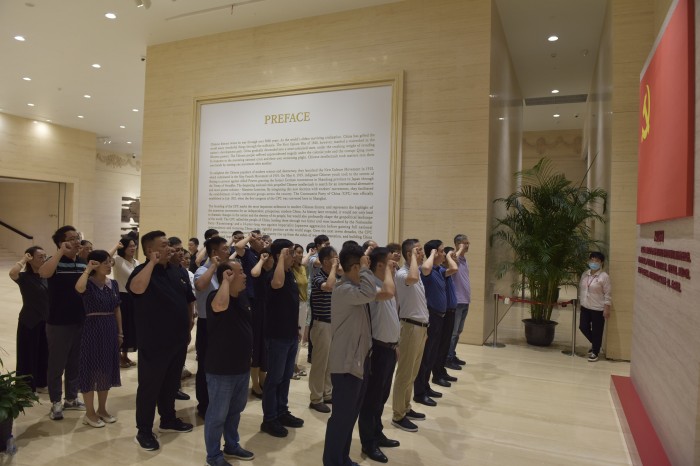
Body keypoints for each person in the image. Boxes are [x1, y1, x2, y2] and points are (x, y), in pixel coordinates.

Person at [127, 230, 195, 451]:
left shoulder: (177, 270)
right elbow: (136, 288)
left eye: (169, 244)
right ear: (150, 250)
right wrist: (151, 263)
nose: (170, 248)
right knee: (150, 387)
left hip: (177, 339)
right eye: (164, 245)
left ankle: (168, 419)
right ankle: (144, 431)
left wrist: (187, 327)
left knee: (171, 383)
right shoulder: (142, 271)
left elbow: (187, 299)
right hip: (154, 342)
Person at [322, 244, 377, 466]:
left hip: (357, 361)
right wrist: (365, 268)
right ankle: (332, 461)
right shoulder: (344, 290)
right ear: (355, 267)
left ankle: (342, 458)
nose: (366, 270)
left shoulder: (353, 290)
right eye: (363, 266)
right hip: (346, 365)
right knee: (341, 418)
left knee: (350, 416)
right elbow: (371, 293)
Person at [203, 262, 255, 466]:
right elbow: (220, 306)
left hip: (241, 367)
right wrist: (225, 281)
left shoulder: (242, 297)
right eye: (240, 272)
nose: (245, 275)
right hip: (221, 369)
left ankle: (232, 445)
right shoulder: (214, 297)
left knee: (235, 411)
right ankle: (213, 456)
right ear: (228, 275)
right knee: (217, 415)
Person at [39, 225, 87, 421]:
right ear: (61, 243)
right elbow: (43, 273)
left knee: (75, 362)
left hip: (80, 320)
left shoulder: (82, 262)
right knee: (57, 364)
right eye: (72, 238)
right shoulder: (55, 261)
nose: (77, 241)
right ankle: (56, 402)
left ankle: (71, 398)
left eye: (77, 237)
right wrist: (60, 252)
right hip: (58, 322)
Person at [358, 247, 401, 463]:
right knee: (372, 398)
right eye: (390, 261)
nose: (395, 263)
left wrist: (396, 344)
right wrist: (390, 273)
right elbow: (390, 294)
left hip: (389, 348)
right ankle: (368, 443)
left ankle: (377, 432)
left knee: (382, 396)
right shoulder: (372, 288)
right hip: (377, 349)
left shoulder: (385, 284)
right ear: (381, 265)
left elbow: (392, 315)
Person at [260, 239, 304, 438]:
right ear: (279, 255)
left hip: (290, 335)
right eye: (290, 253)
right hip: (277, 336)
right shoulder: (273, 275)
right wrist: (279, 259)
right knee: (274, 379)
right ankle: (269, 419)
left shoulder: (290, 274)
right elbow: (277, 284)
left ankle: (281, 411)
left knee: (285, 378)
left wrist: (296, 329)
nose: (294, 256)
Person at [75, 250, 122, 428]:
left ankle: (102, 409)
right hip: (92, 329)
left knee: (105, 370)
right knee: (90, 370)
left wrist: (120, 332)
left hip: (110, 328)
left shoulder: (113, 284)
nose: (109, 265)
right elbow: (79, 288)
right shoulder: (87, 282)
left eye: (110, 262)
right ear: (95, 264)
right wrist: (87, 270)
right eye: (105, 262)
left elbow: (117, 308)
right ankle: (89, 413)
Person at [413, 239, 457, 405]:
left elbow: (454, 268)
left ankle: (426, 386)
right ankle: (419, 392)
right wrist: (431, 254)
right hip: (431, 316)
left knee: (432, 354)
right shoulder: (426, 271)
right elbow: (425, 267)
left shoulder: (439, 270)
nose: (443, 254)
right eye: (441, 251)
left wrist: (447, 256)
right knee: (425, 356)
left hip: (440, 317)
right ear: (433, 252)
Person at [391, 239, 428, 433]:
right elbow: (412, 277)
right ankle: (398, 415)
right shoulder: (403, 274)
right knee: (404, 373)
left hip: (420, 328)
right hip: (410, 327)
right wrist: (413, 256)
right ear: (409, 255)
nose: (422, 254)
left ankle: (405, 407)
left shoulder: (416, 272)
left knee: (412, 373)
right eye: (418, 251)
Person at [194, 236, 232, 419]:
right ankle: (204, 405)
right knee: (205, 366)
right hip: (206, 324)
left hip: (224, 324)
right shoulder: (203, 270)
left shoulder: (226, 270)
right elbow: (200, 286)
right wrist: (213, 266)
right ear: (214, 252)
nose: (228, 252)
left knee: (220, 365)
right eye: (225, 249)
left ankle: (219, 402)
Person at [9, 246, 49, 394]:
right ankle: (25, 387)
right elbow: (12, 273)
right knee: (27, 354)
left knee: (44, 353)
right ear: (31, 259)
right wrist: (24, 259)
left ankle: (41, 383)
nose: (43, 259)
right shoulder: (25, 277)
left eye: (45, 256)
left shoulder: (48, 276)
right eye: (40, 257)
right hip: (29, 320)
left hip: (46, 320)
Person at [233, 230, 267, 398]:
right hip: (252, 300)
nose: (261, 241)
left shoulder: (264, 255)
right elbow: (238, 246)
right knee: (255, 342)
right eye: (259, 239)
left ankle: (263, 380)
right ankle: (255, 384)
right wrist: (249, 237)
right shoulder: (248, 253)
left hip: (264, 301)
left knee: (263, 342)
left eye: (262, 239)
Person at [308, 246, 339, 413]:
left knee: (330, 362)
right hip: (322, 324)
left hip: (333, 324)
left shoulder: (333, 275)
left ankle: (327, 393)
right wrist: (334, 267)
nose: (337, 260)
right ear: (326, 261)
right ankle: (316, 398)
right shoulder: (318, 276)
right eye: (334, 258)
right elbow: (329, 286)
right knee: (320, 364)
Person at [578, 251, 612, 362]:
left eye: (596, 260)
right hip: (585, 306)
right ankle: (596, 344)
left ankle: (595, 352)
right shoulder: (585, 274)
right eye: (592, 260)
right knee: (583, 327)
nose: (593, 262)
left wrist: (607, 308)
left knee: (597, 330)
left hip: (598, 308)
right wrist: (580, 302)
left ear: (601, 263)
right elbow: (582, 289)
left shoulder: (604, 276)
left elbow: (608, 293)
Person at [113, 236, 139, 368]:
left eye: (134, 245)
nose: (132, 248)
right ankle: (118, 357)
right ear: (123, 247)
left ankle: (125, 356)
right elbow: (104, 258)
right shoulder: (117, 260)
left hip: (133, 297)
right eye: (129, 246)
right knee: (121, 326)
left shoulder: (136, 262)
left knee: (130, 327)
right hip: (121, 296)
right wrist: (115, 247)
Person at [447, 234, 470, 369]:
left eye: (467, 243)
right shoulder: (453, 257)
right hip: (457, 301)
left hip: (465, 301)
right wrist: (459, 249)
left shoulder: (464, 260)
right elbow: (452, 262)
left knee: (458, 331)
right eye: (464, 243)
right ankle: (447, 358)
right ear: (457, 244)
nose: (467, 246)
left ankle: (452, 354)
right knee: (453, 332)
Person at [291, 244, 309, 379]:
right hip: (293, 305)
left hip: (303, 305)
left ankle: (295, 364)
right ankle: (290, 366)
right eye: (298, 252)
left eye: (301, 252)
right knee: (293, 335)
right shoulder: (289, 269)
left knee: (300, 335)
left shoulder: (302, 268)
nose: (300, 255)